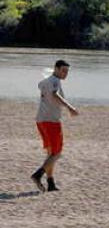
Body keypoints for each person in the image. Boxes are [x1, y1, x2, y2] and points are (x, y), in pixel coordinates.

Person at [31, 60, 79, 192]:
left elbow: (40, 85)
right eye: (63, 70)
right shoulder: (56, 82)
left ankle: (50, 183)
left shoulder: (47, 81)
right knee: (57, 153)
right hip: (51, 121)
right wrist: (70, 108)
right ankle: (38, 174)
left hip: (40, 120)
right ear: (56, 69)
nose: (65, 73)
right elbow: (54, 94)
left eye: (67, 71)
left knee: (51, 153)